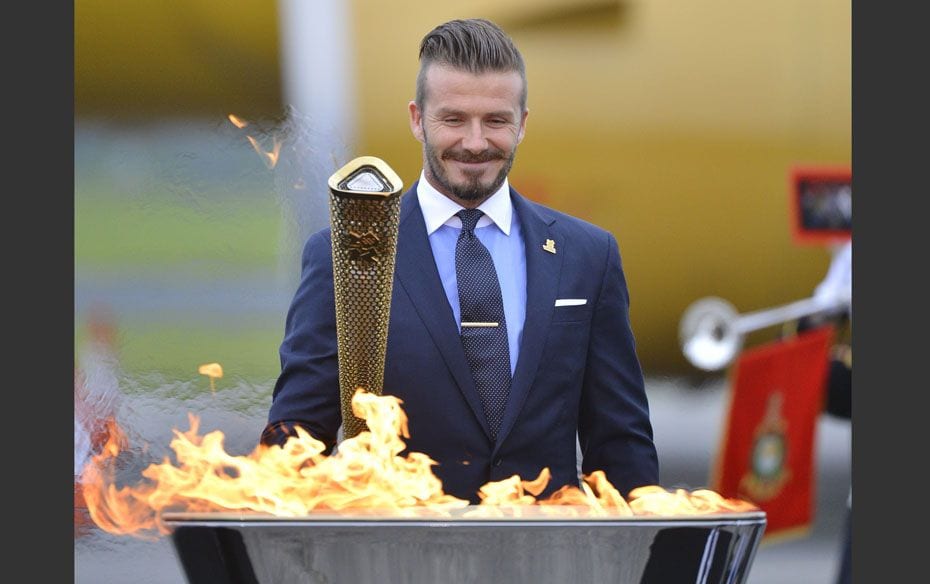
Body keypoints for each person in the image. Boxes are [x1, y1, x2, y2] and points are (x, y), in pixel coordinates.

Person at [261, 18, 659, 503]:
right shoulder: (345, 256)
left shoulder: (588, 256)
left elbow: (621, 444)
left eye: (495, 120)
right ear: (416, 119)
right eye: (453, 120)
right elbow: (298, 437)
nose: (475, 143)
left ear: (523, 123)